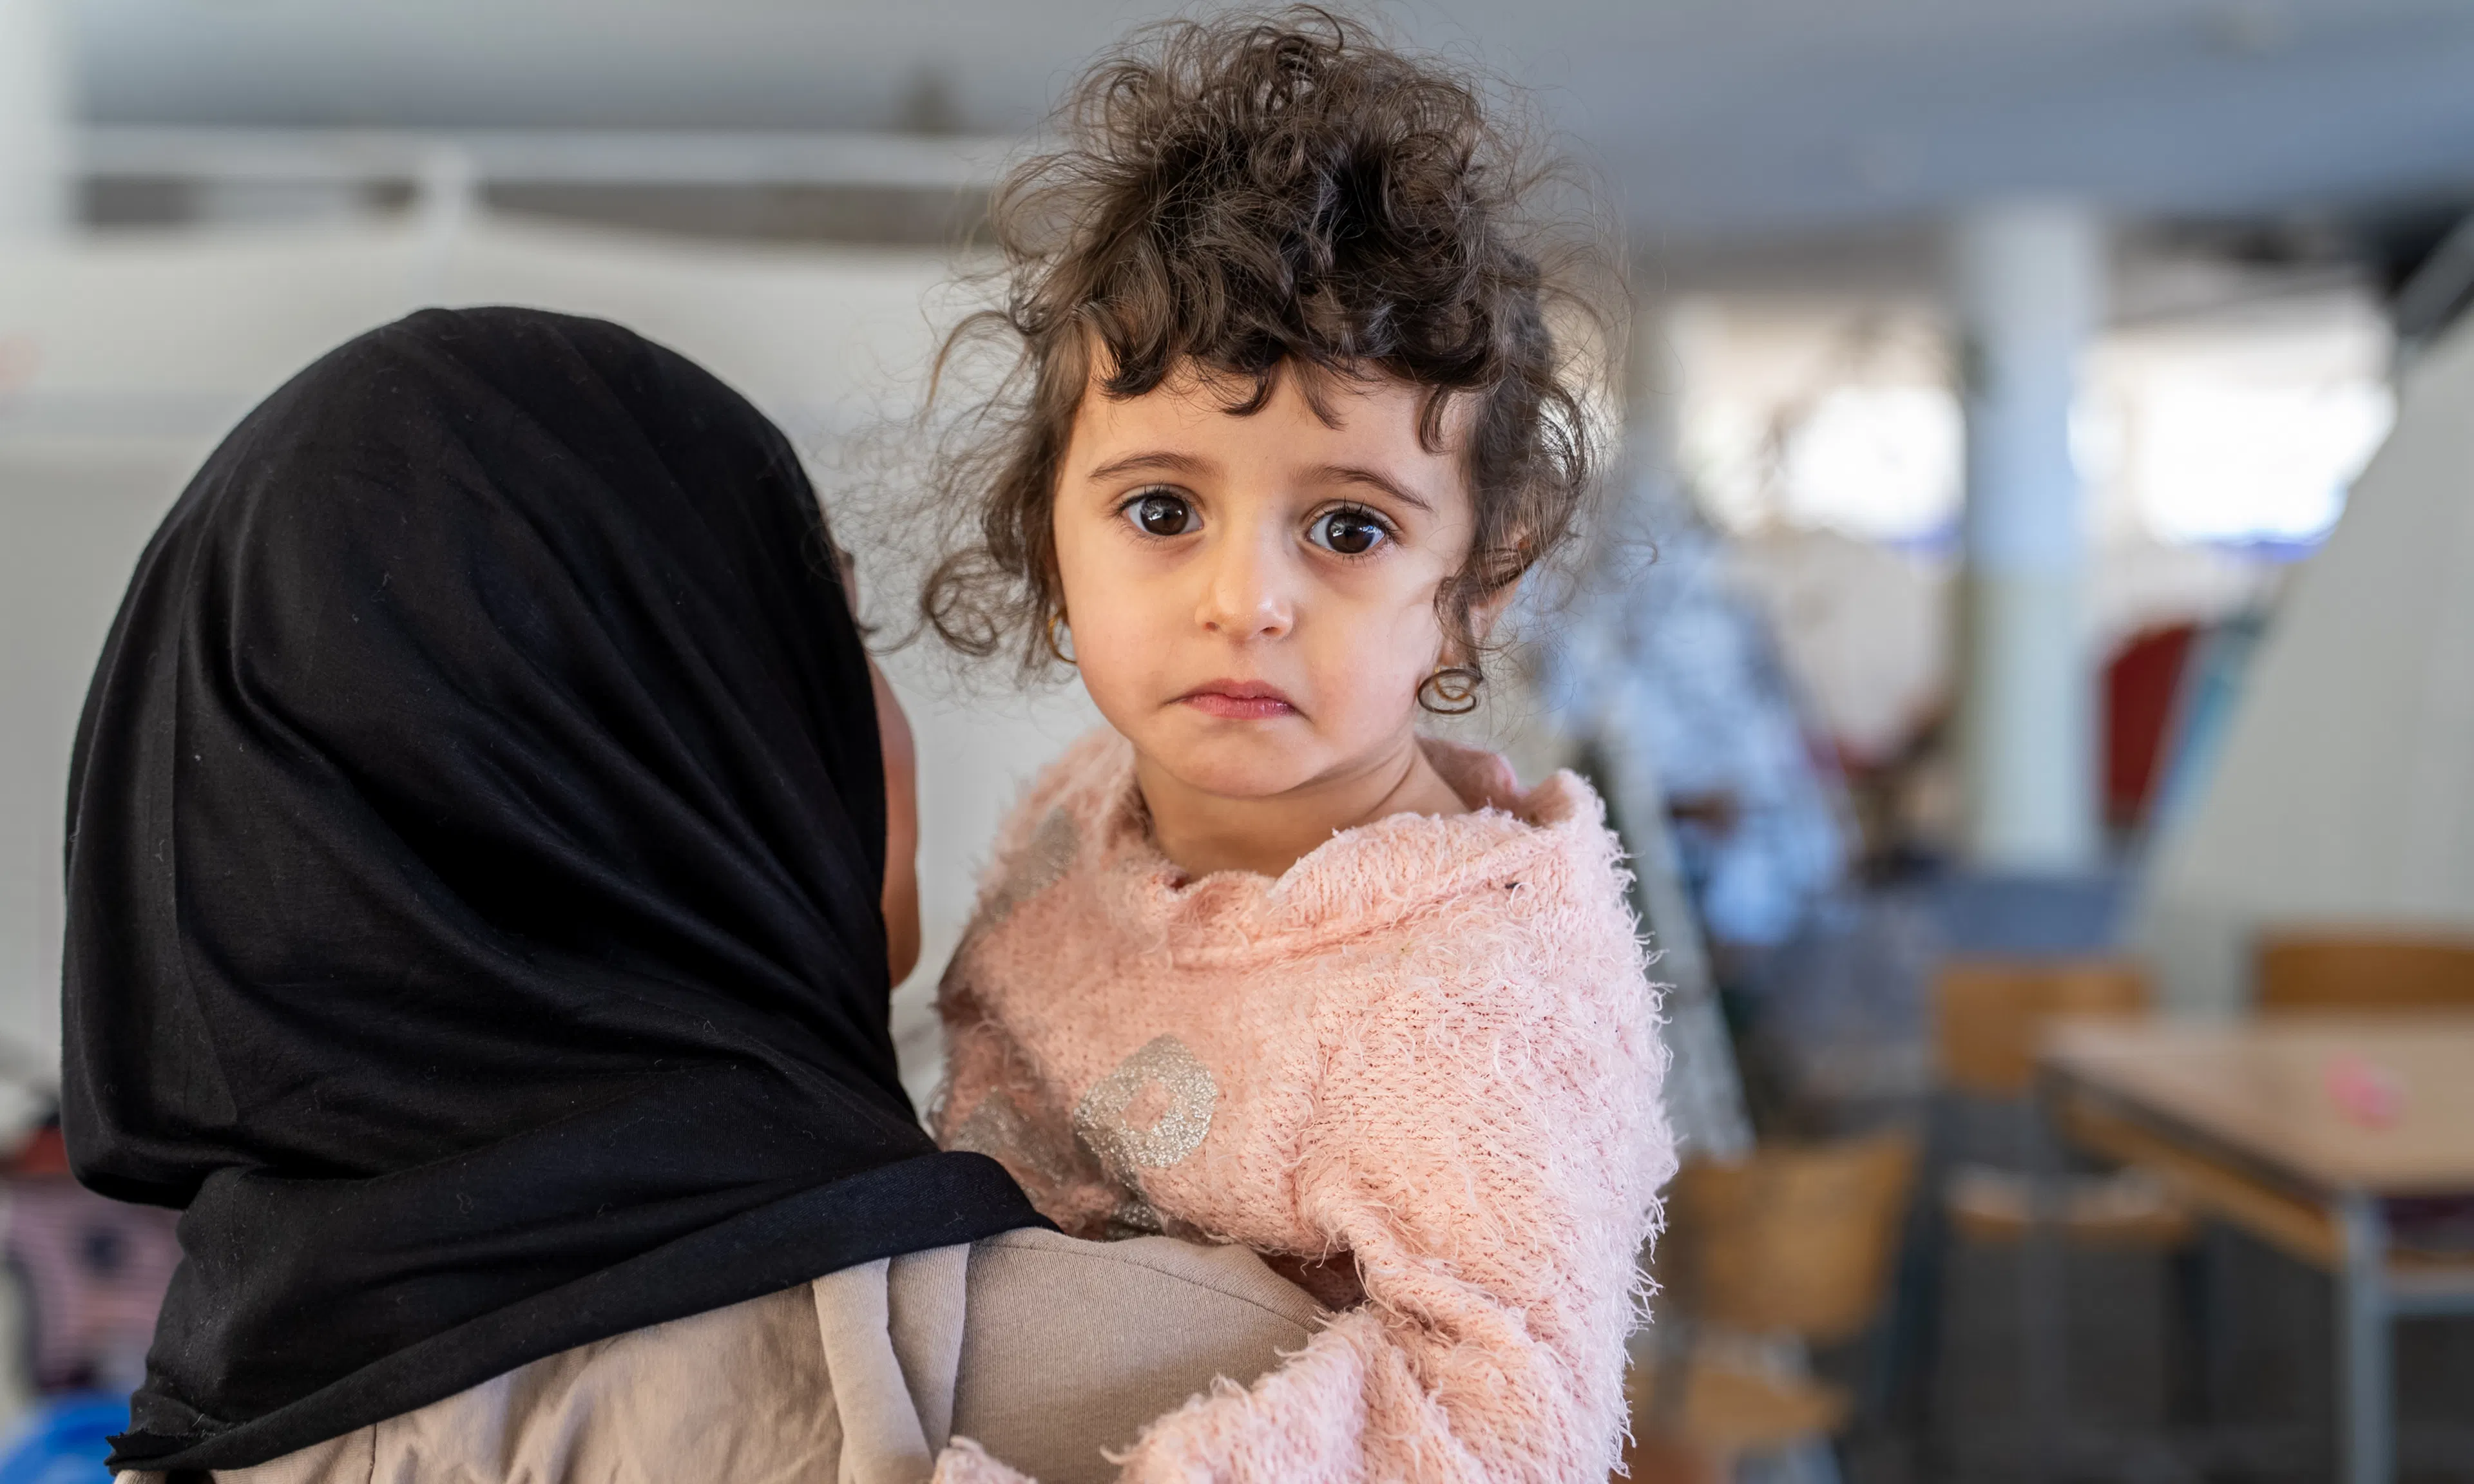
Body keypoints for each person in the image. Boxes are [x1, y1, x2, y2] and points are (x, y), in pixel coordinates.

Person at [64, 306, 1324, 1484]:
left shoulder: (202, 1438)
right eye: (834, 644)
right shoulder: (1235, 1390)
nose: (880, 721)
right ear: (664, 755)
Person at [915, 11, 1675, 1483]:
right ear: (1049, 536)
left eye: (1348, 528)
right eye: (1160, 509)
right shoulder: (1080, 815)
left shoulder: (1475, 1012)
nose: (1243, 602)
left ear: (1475, 589)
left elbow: (1504, 1439)